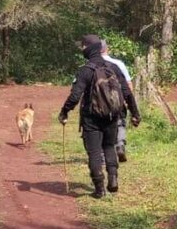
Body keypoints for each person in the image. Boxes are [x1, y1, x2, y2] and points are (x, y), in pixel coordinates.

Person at [58, 34, 140, 198]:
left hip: (91, 119)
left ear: (88, 49)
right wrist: (135, 114)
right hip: (111, 116)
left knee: (94, 152)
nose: (82, 49)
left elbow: (75, 96)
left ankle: (99, 189)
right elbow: (127, 93)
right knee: (109, 147)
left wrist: (64, 111)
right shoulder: (113, 67)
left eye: (83, 46)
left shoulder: (85, 70)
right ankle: (113, 178)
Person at [100, 39, 133, 162]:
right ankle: (120, 144)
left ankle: (103, 155)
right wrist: (127, 100)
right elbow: (128, 84)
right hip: (117, 100)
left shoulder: (90, 65)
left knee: (101, 127)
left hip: (99, 103)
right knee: (120, 122)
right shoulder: (118, 64)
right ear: (107, 49)